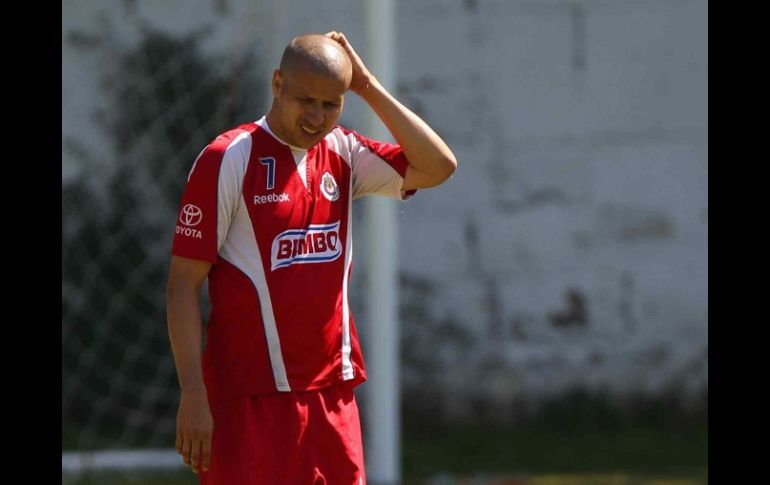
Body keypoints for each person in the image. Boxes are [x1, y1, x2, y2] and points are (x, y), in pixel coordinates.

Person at [166, 31, 457, 484]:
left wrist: (366, 85)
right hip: (249, 398)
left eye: (332, 103)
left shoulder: (343, 151)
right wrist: (192, 394)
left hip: (331, 395)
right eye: (306, 100)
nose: (317, 117)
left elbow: (439, 166)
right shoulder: (228, 159)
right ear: (277, 83)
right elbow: (183, 285)